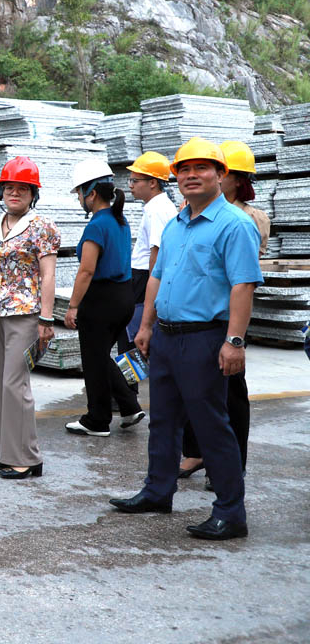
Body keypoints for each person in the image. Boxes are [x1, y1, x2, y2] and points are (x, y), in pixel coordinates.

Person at [111, 137, 261, 541]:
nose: (192, 176)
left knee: (211, 425)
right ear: (175, 177)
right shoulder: (176, 223)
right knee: (162, 419)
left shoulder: (235, 225)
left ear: (221, 174)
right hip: (166, 336)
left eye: (202, 169)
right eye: (184, 170)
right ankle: (158, 490)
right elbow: (157, 277)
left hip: (204, 339)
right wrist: (145, 327)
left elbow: (243, 286)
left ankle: (230, 512)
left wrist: (235, 340)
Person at [178, 140, 269, 487]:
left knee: (229, 392)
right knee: (192, 391)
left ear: (228, 176)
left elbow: (242, 279)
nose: (199, 175)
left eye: (211, 169)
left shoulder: (245, 219)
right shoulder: (192, 212)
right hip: (192, 318)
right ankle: (195, 452)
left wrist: (235, 336)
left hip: (225, 312)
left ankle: (232, 464)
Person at [0, 156, 58, 479]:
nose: (14, 193)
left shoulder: (42, 227)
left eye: (22, 188)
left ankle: (28, 457)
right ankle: (8, 452)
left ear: (33, 193)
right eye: (9, 187)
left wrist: (46, 320)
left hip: (26, 314)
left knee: (15, 383)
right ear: (1, 190)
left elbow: (48, 276)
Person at [63, 159, 146, 436]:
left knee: (93, 360)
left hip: (100, 300)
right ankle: (129, 405)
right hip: (123, 297)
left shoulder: (97, 225)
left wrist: (73, 306)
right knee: (100, 356)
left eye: (79, 193)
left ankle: (97, 420)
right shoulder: (120, 220)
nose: (79, 198)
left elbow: (86, 270)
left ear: (91, 193)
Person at [123, 152, 178, 346]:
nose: (131, 185)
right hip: (143, 276)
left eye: (135, 180)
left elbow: (157, 252)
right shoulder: (158, 207)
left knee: (134, 332)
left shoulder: (157, 210)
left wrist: (152, 291)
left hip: (144, 277)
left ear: (153, 183)